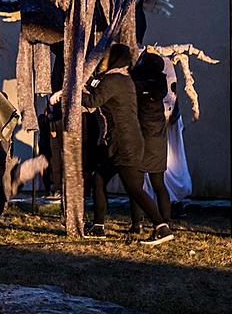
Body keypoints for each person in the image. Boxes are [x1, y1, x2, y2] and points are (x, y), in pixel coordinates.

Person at [53, 44, 174, 245]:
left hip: (124, 143)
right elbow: (98, 91)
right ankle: (99, 226)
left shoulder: (115, 80)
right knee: (100, 178)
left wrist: (68, 93)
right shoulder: (124, 80)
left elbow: (93, 100)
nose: (103, 60)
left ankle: (161, 227)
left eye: (106, 57)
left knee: (134, 188)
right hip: (125, 142)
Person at [129, 52, 171, 232]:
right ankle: (165, 222)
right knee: (158, 184)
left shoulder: (138, 85)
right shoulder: (160, 85)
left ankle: (137, 224)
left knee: (136, 186)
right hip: (158, 140)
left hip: (141, 139)